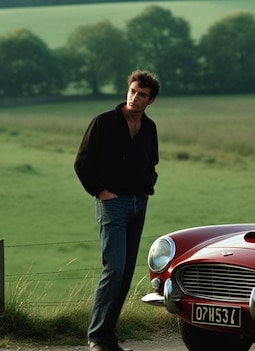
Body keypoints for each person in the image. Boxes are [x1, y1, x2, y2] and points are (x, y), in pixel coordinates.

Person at [74, 70, 160, 351]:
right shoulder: (103, 122)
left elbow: (152, 163)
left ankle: (108, 339)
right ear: (128, 90)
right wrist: (101, 192)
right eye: (133, 91)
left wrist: (148, 188)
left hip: (139, 203)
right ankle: (97, 338)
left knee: (125, 274)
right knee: (115, 268)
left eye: (142, 95)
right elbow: (82, 161)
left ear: (151, 100)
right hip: (113, 204)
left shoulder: (150, 128)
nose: (135, 97)